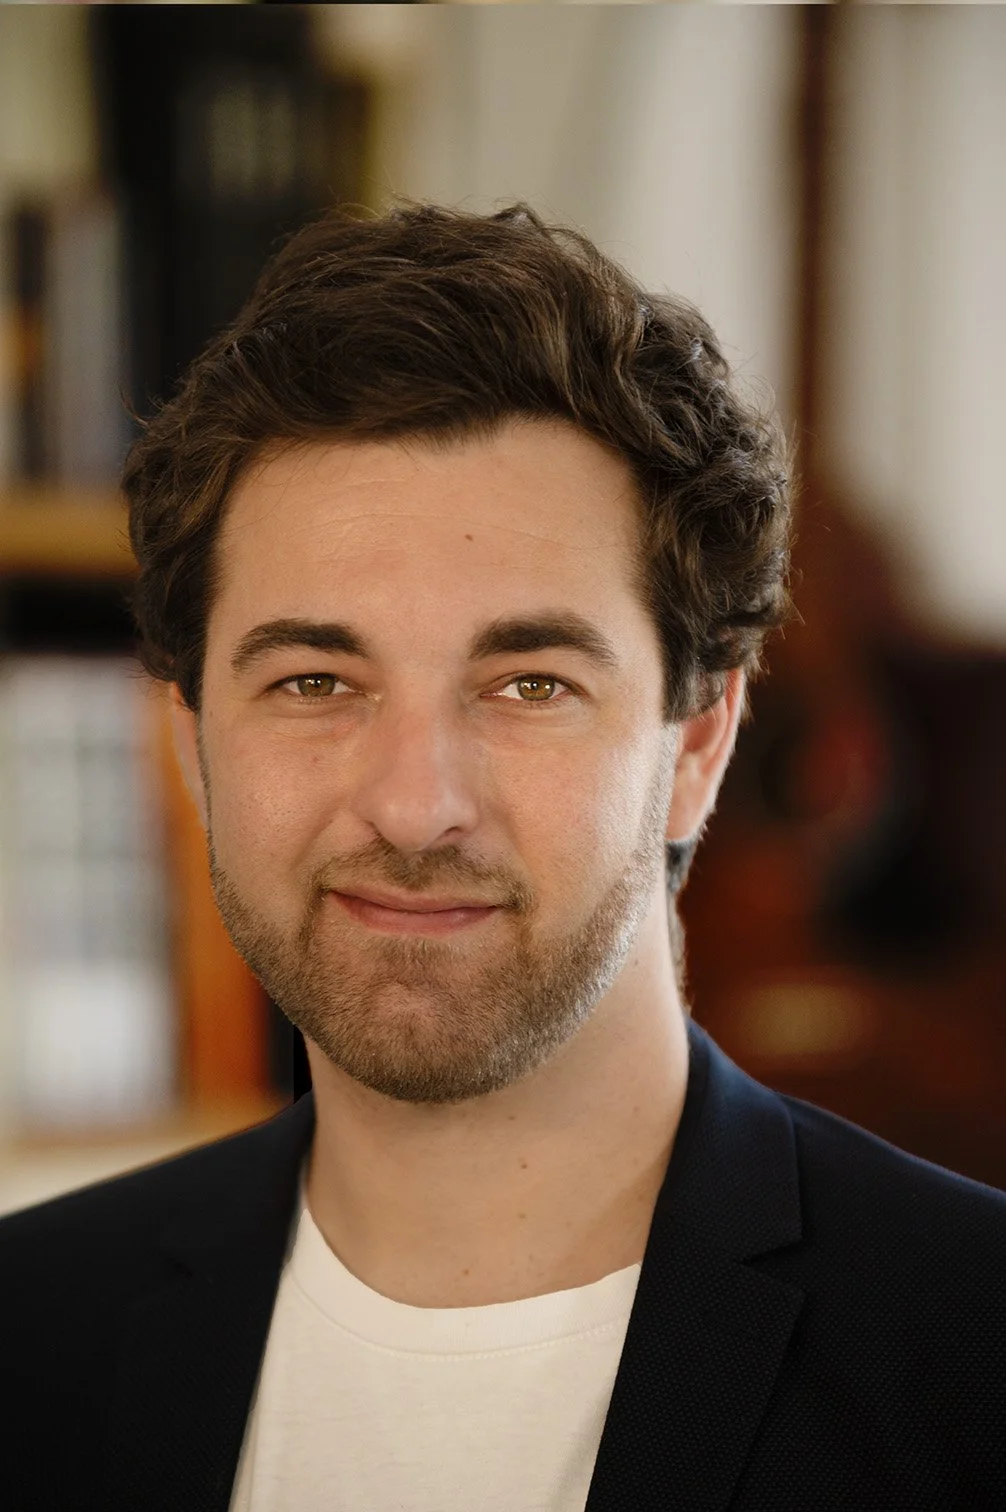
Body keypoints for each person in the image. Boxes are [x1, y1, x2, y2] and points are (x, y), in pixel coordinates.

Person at [2, 203, 1003, 1512]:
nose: (415, 808)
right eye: (314, 681)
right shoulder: (27, 1335)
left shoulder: (975, 1361)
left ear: (698, 743)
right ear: (191, 746)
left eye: (531, 684)